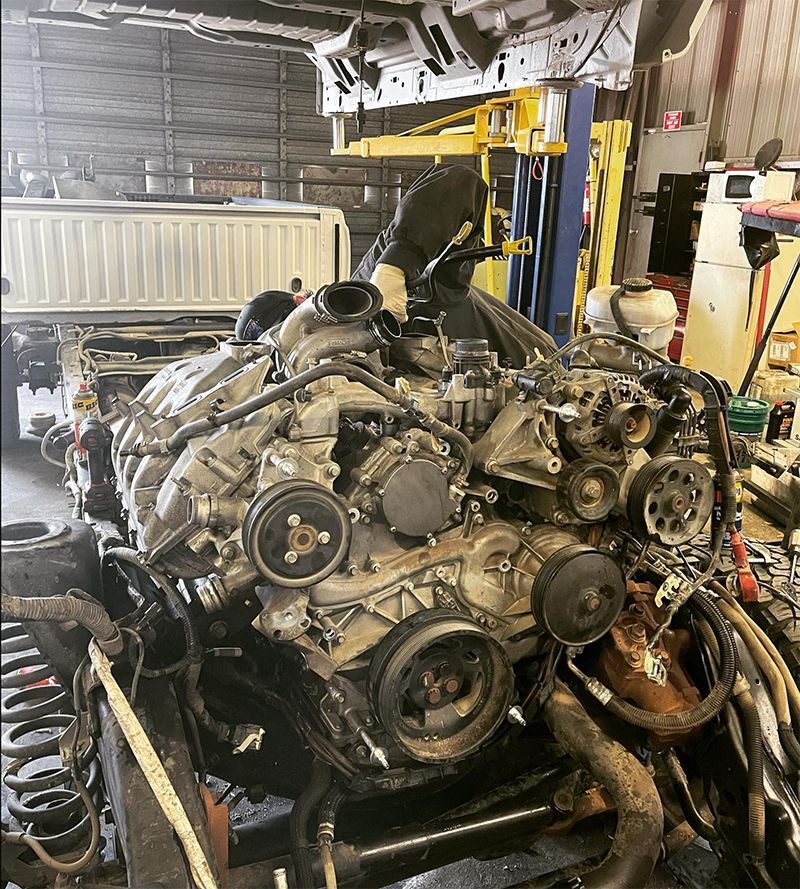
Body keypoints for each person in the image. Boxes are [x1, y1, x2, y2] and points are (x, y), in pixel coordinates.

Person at [236, 163, 555, 366]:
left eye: (300, 329)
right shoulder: (345, 358)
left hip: (540, 378)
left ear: (302, 302)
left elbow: (457, 178)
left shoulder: (371, 285)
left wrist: (395, 265)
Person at [352, 162, 556, 365]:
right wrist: (394, 265)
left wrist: (394, 267)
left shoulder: (441, 282)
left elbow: (460, 177)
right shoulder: (358, 298)